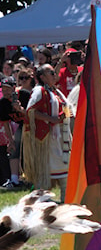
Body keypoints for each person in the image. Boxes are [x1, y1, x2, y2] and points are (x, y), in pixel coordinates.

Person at [23, 64, 71, 200]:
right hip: (46, 138)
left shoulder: (55, 90)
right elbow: (30, 110)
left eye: (54, 72)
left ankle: (65, 201)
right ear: (42, 77)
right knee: (46, 171)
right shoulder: (39, 90)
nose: (54, 74)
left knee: (64, 169)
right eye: (50, 72)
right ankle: (43, 203)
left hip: (59, 136)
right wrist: (51, 119)